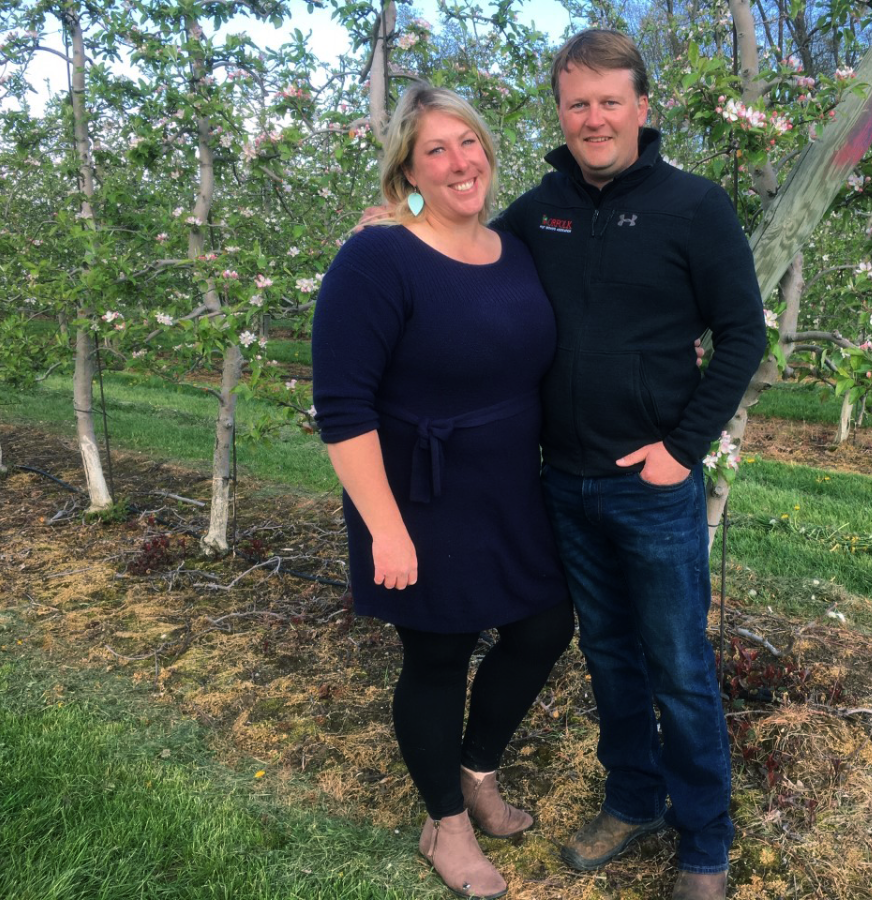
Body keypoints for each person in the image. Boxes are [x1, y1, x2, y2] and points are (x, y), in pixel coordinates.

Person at [492, 29, 766, 900]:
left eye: (611, 101)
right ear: (561, 112)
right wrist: (403, 222)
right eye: (578, 103)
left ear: (643, 109)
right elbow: (461, 258)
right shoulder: (538, 211)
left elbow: (743, 337)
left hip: (652, 486)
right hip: (563, 483)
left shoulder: (696, 205)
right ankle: (633, 797)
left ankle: (706, 843)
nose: (594, 117)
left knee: (679, 667)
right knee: (609, 656)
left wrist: (680, 452)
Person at [311, 84, 575, 900]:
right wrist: (384, 528)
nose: (461, 163)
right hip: (417, 494)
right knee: (438, 656)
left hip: (508, 488)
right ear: (408, 169)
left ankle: (475, 770)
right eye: (437, 150)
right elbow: (343, 407)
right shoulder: (377, 257)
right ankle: (444, 824)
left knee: (542, 629)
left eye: (470, 143)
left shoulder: (516, 248)